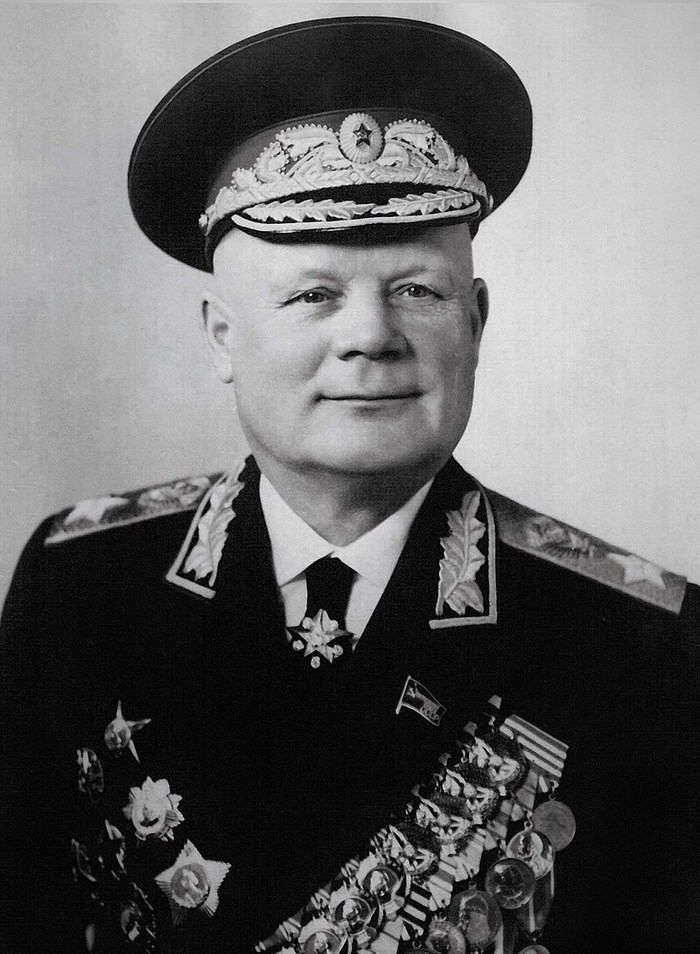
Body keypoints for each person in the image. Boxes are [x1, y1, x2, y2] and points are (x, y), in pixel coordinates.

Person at [1, 15, 698, 954]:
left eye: (418, 290)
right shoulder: (81, 585)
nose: (371, 336)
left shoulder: (644, 646)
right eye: (313, 295)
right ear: (221, 337)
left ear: (476, 323)